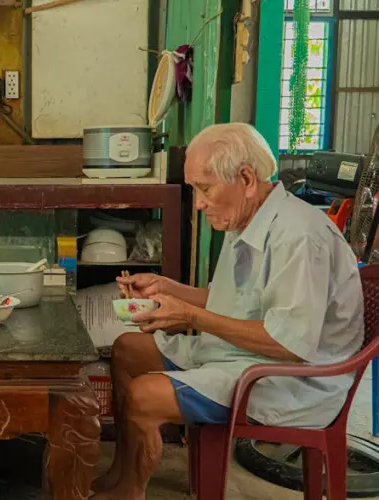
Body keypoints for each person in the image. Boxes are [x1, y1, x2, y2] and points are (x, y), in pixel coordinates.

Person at [91, 123, 364, 500]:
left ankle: (129, 491)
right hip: (247, 354)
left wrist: (189, 316)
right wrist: (169, 290)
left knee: (144, 395)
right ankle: (123, 471)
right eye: (194, 190)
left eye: (205, 188)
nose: (199, 202)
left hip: (294, 379)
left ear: (246, 178)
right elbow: (233, 300)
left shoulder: (299, 237)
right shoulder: (249, 217)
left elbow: (288, 343)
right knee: (126, 349)